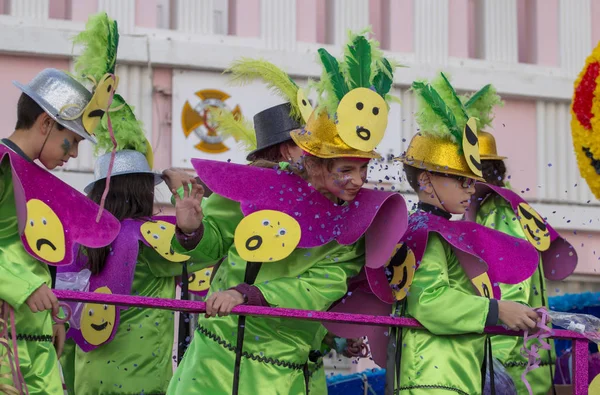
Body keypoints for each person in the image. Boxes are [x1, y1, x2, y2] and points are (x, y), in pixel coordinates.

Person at [166, 32, 407, 395]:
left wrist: (247, 294)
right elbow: (210, 248)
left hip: (291, 373)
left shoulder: (356, 221)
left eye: (363, 170)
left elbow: (319, 287)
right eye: (346, 169)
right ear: (313, 161)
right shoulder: (257, 186)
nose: (358, 181)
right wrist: (192, 229)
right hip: (217, 364)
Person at [388, 73, 542, 394]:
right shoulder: (425, 231)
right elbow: (429, 302)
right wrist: (498, 311)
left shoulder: (441, 228)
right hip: (434, 376)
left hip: (452, 374)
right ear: (427, 181)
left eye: (472, 181)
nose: (470, 190)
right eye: (461, 180)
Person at [0, 65, 120, 394]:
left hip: (34, 338)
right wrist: (24, 287)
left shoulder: (37, 179)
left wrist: (53, 319)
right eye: (72, 140)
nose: (75, 153)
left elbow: (36, 252)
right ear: (45, 123)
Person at [462, 84, 578, 394]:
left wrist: (492, 364)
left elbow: (512, 291)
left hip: (515, 370)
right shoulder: (489, 210)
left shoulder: (503, 215)